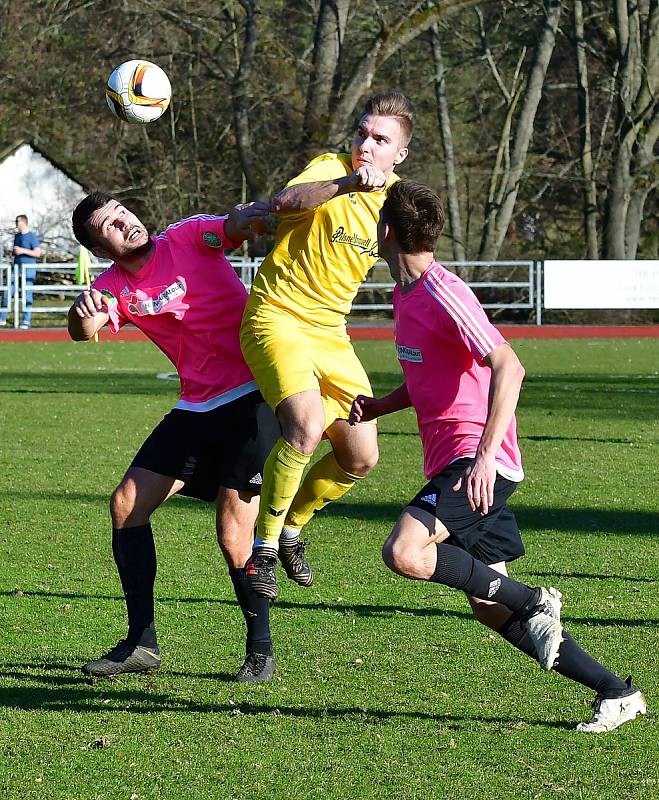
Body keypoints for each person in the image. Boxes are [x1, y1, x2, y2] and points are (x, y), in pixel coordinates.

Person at [349, 179, 647, 733]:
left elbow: (510, 366)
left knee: (405, 551)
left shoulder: (444, 292)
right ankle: (615, 690)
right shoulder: (404, 294)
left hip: (477, 460)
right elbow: (429, 379)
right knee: (491, 606)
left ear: (386, 231)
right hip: (453, 461)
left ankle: (534, 598)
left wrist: (485, 457)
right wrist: (379, 407)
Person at [68, 192, 280, 682]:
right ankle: (141, 642)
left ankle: (260, 648)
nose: (125, 224)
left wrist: (255, 217)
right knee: (126, 504)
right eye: (110, 226)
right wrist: (82, 313)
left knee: (232, 534)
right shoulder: (113, 284)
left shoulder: (188, 236)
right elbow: (85, 329)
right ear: (101, 250)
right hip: (196, 407)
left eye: (123, 213)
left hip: (253, 397)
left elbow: (232, 224)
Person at [240, 91, 414, 599]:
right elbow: (284, 204)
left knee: (361, 456)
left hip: (330, 332)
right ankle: (264, 549)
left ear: (398, 155)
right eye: (362, 132)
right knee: (306, 427)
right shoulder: (329, 167)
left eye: (380, 139)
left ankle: (292, 528)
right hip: (277, 315)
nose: (365, 143)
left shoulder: (397, 198)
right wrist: (345, 184)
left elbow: (407, 267)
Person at [0, 215, 41, 328]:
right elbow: (16, 251)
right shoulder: (17, 236)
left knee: (27, 294)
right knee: (8, 291)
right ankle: (2, 317)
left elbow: (37, 253)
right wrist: (13, 252)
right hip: (16, 268)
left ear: (23, 222)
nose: (15, 224)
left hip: (28, 269)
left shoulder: (32, 236)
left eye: (17, 222)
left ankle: (26, 320)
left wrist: (22, 250)